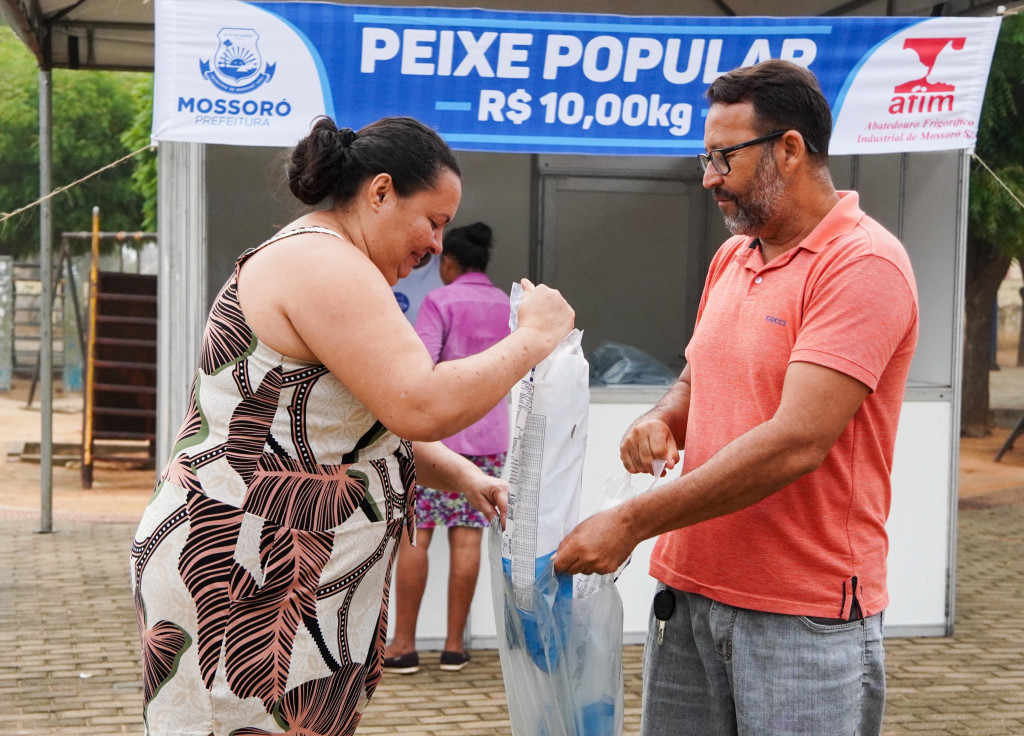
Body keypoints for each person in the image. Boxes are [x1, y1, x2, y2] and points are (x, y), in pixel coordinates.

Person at [129, 115, 574, 736]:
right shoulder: (323, 262)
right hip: (249, 568)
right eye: (434, 221)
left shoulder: (331, 259)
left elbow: (356, 431)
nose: (437, 245)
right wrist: (534, 337)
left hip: (282, 565)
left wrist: (468, 476)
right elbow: (419, 405)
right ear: (381, 191)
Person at [553, 59, 919, 736]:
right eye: (704, 156)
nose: (708, 177)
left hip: (799, 616)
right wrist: (663, 416)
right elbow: (699, 374)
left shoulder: (861, 264)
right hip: (689, 595)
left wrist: (632, 522)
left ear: (789, 148)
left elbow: (796, 442)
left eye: (724, 157)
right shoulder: (735, 256)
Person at [383, 221, 511, 674]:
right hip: (491, 438)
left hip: (439, 440)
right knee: (469, 538)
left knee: (417, 534)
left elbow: (423, 368)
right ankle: (455, 647)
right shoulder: (506, 304)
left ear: (450, 263)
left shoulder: (440, 300)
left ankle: (402, 645)